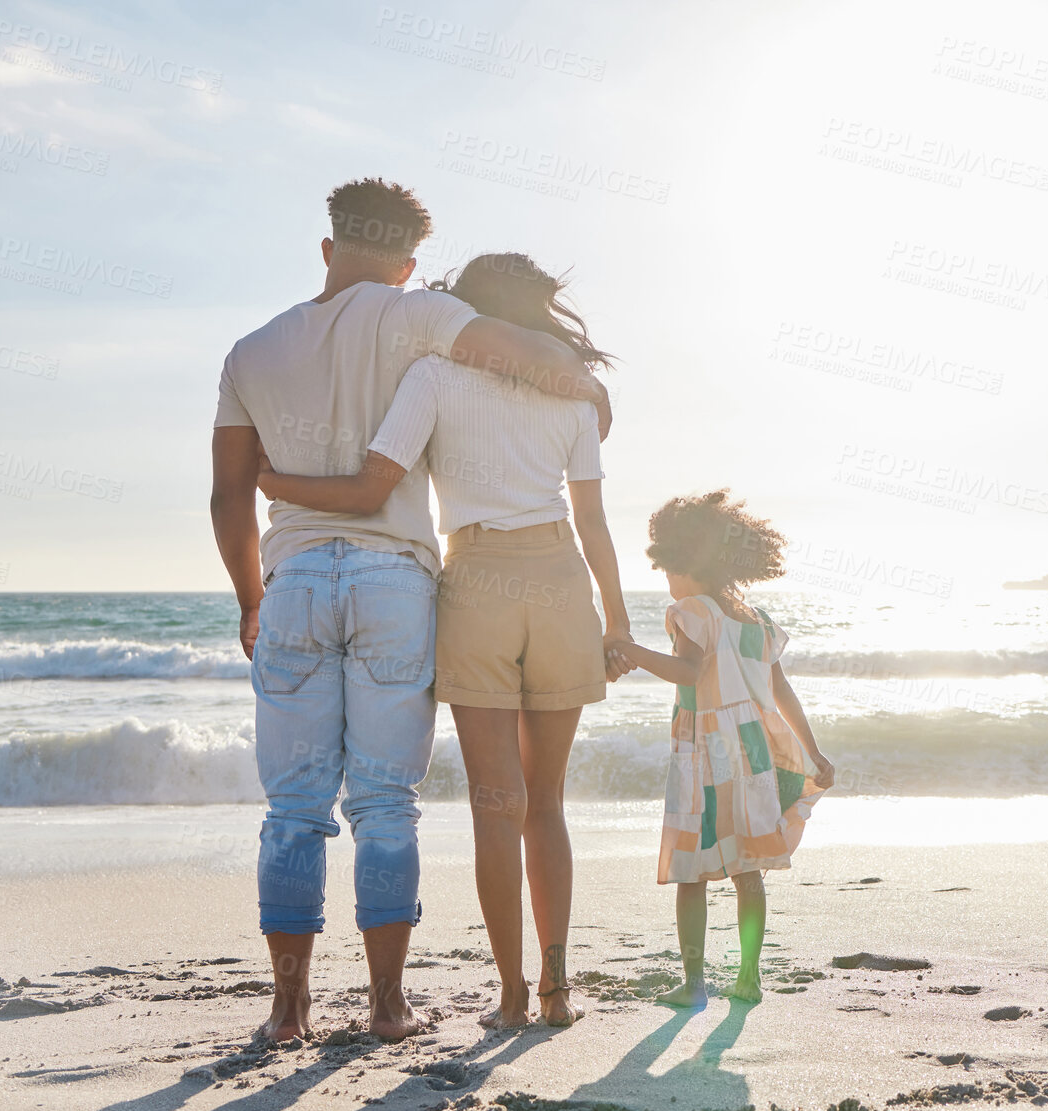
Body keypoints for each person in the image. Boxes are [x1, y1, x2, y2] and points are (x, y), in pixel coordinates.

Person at [209, 179, 610, 1043]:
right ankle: (398, 1005)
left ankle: (289, 1008)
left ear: (326, 248)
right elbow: (533, 365)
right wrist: (588, 390)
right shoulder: (419, 316)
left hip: (304, 578)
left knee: (294, 808)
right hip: (416, 580)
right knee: (394, 804)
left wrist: (252, 597)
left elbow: (230, 497)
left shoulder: (251, 351)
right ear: (409, 263)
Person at [605, 491, 835, 1005]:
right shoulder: (755, 620)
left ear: (686, 562)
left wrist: (630, 651)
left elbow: (689, 672)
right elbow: (782, 691)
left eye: (666, 567)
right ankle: (748, 978)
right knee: (746, 866)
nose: (665, 579)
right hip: (752, 754)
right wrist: (812, 750)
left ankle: (693, 985)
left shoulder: (692, 611)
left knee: (694, 869)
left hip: (706, 752)